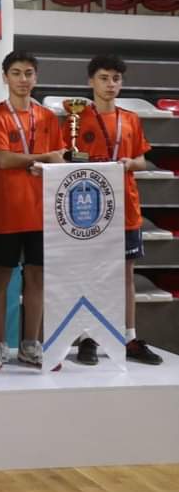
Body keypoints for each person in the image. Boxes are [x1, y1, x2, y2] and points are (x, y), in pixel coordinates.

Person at [68, 55, 162, 366]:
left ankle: (128, 337)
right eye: (104, 78)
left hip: (126, 207)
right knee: (89, 273)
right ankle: (87, 337)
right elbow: (69, 159)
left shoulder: (131, 119)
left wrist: (128, 162)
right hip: (90, 209)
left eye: (116, 79)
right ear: (90, 81)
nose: (110, 84)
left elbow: (141, 161)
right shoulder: (77, 119)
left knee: (125, 274)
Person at [0, 50, 65, 371]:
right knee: (0, 276)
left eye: (29, 73)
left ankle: (30, 345)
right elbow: (3, 159)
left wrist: (45, 161)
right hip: (7, 210)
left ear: (36, 77)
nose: (23, 79)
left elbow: (61, 158)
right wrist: (41, 159)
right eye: (16, 73)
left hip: (41, 211)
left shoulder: (48, 117)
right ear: (5, 77)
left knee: (36, 277)